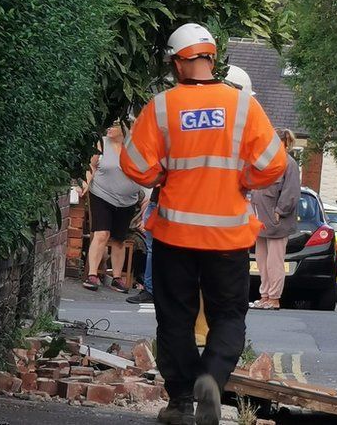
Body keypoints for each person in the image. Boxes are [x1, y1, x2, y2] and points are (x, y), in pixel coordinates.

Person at [120, 23, 286, 425]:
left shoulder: (162, 106)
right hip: (227, 235)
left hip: (176, 233)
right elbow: (274, 163)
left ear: (178, 62)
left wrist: (163, 175)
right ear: (212, 58)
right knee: (228, 316)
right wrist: (244, 179)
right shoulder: (243, 105)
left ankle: (179, 402)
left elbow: (135, 166)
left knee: (174, 316)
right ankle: (211, 378)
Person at [81, 120, 143, 293]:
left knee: (118, 239)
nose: (109, 127)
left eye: (114, 125)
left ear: (125, 128)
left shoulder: (136, 147)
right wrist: (85, 183)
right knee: (102, 233)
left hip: (128, 199)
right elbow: (91, 166)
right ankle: (92, 275)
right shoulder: (101, 143)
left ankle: (116, 278)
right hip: (102, 194)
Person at [250, 128, 301, 310]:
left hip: (277, 221)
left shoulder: (289, 164)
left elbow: (291, 192)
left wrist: (280, 211)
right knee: (261, 260)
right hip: (260, 220)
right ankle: (264, 295)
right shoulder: (264, 161)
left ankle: (274, 297)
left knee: (274, 261)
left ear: (285, 143)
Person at [127, 187, 160, 304]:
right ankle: (151, 289)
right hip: (158, 201)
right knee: (153, 249)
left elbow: (149, 176)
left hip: (166, 202)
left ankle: (151, 290)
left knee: (155, 250)